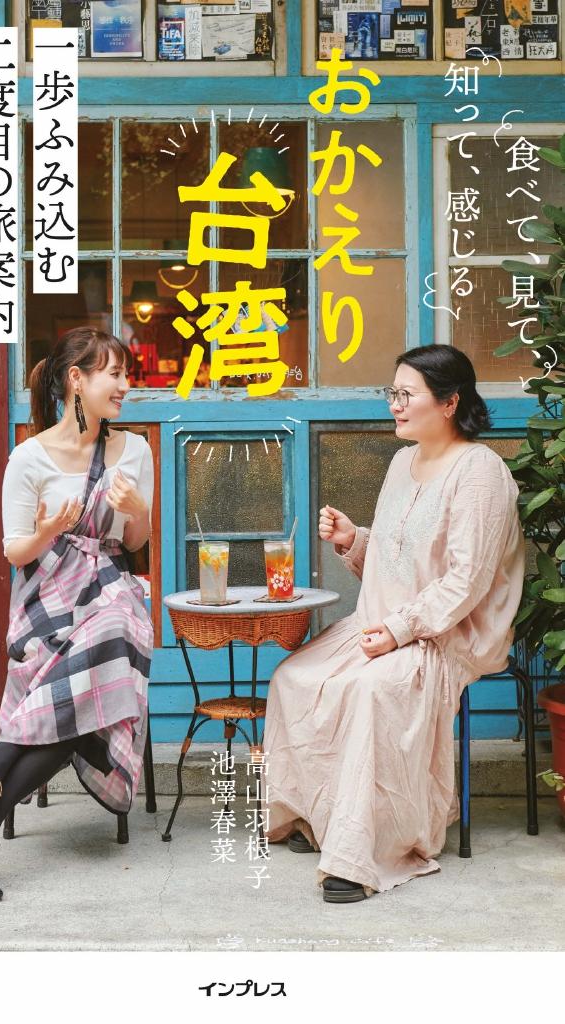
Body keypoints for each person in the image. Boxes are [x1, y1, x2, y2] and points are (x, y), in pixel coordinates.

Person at [263, 344, 525, 903]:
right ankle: (319, 817)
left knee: (371, 690)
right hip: (383, 619)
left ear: (449, 402)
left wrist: (403, 630)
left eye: (407, 394)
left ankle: (362, 851)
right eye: (393, 393)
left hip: (448, 633)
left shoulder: (481, 472)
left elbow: (468, 580)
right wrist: (353, 540)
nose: (394, 405)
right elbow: (393, 559)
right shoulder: (401, 463)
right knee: (293, 678)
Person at [0, 327, 154, 902]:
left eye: (125, 374)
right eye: (113, 374)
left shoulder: (134, 451)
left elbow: (135, 542)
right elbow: (15, 551)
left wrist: (139, 510)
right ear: (76, 380)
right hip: (45, 598)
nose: (125, 385)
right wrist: (47, 530)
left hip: (110, 589)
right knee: (86, 689)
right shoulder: (29, 456)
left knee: (111, 631)